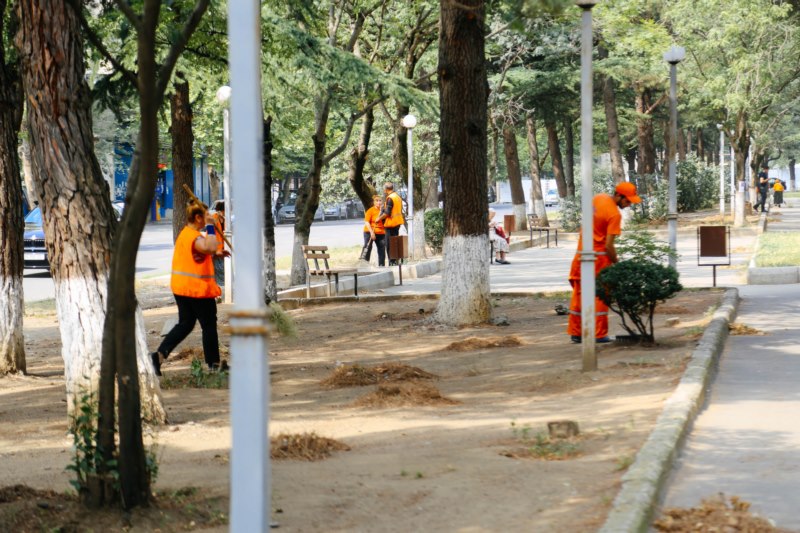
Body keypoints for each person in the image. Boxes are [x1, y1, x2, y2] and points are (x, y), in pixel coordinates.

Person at [151, 202, 230, 376]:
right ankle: (214, 365)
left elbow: (199, 253)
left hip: (182, 288)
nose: (209, 218)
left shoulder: (185, 234)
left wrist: (215, 253)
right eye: (206, 216)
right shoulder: (194, 237)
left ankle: (158, 356)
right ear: (198, 217)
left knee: (186, 324)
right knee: (208, 325)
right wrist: (211, 227)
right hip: (197, 290)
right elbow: (209, 246)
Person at [567, 182, 641, 344]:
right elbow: (608, 246)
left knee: (579, 295)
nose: (629, 205)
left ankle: (577, 333)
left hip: (581, 256)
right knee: (600, 296)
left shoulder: (598, 198)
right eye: (627, 201)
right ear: (619, 195)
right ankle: (598, 334)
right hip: (599, 261)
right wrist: (617, 263)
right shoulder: (614, 215)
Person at [378, 182, 405, 265]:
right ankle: (396, 260)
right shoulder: (397, 196)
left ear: (386, 189)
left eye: (384, 189)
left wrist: (378, 219)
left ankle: (392, 261)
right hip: (397, 222)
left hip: (391, 224)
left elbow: (387, 213)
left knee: (389, 243)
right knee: (395, 242)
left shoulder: (390, 198)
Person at [363, 195, 386, 266]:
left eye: (380, 201)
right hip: (369, 231)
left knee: (382, 249)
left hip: (380, 232)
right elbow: (367, 222)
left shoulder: (383, 211)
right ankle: (364, 264)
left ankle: (381, 265)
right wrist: (371, 233)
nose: (379, 202)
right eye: (377, 201)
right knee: (368, 247)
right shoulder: (370, 211)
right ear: (374, 202)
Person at [211, 200, 227, 291]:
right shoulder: (214, 218)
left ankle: (220, 288)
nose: (225, 213)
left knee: (222, 269)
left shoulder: (224, 220)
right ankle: (218, 289)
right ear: (221, 210)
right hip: (215, 248)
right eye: (224, 210)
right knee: (218, 269)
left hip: (223, 248)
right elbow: (210, 232)